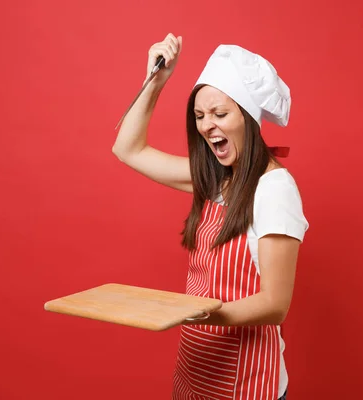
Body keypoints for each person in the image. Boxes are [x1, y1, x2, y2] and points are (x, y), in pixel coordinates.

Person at [112, 33, 309, 400]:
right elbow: (127, 149)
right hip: (195, 374)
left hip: (246, 384)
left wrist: (188, 313)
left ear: (248, 118)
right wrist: (156, 81)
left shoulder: (274, 189)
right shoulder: (216, 179)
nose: (206, 126)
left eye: (220, 114)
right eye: (200, 116)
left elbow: (274, 304)